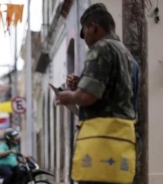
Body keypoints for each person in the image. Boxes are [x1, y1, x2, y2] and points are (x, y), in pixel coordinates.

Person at [56, 3, 137, 184]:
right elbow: (114, 89)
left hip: (100, 145)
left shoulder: (101, 49)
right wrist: (82, 83)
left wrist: (67, 96)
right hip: (121, 141)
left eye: (84, 33)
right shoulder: (125, 53)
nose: (85, 40)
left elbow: (87, 97)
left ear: (93, 27)